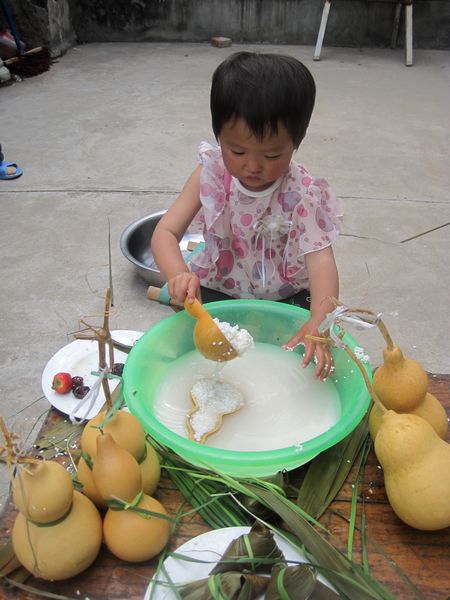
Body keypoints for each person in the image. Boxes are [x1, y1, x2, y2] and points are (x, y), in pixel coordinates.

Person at [151, 51, 342, 380]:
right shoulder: (210, 173)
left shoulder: (302, 194)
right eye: (237, 151)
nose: (253, 166)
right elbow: (164, 233)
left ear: (297, 140)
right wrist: (177, 274)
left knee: (305, 344)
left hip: (284, 294)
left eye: (271, 154)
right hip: (221, 284)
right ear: (218, 137)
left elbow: (322, 263)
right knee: (190, 343)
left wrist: (318, 323)